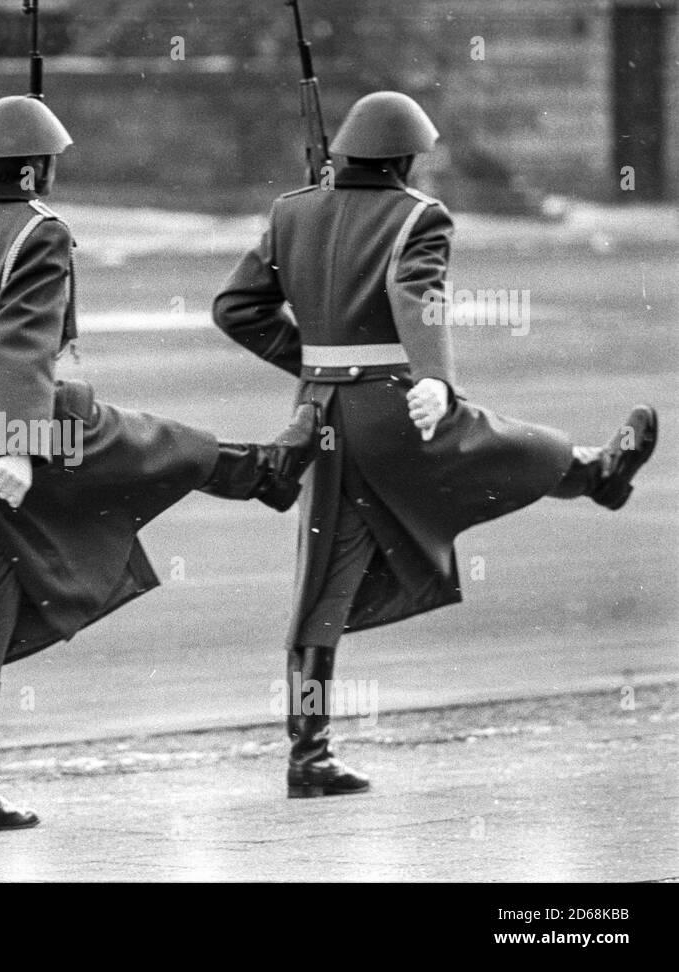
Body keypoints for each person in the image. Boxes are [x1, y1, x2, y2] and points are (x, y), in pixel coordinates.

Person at [0, 94, 317, 836]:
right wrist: (15, 438)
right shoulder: (41, 232)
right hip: (35, 427)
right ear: (36, 167)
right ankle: (262, 471)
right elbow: (21, 339)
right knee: (150, 445)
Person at [212, 90, 659, 799]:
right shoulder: (419, 217)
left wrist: (316, 359)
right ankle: (596, 473)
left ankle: (309, 757)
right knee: (507, 446)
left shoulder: (291, 210)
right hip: (394, 409)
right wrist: (435, 380)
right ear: (402, 160)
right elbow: (415, 291)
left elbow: (235, 308)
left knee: (317, 594)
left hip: (320, 419)